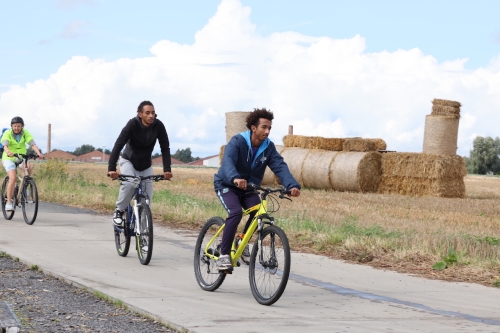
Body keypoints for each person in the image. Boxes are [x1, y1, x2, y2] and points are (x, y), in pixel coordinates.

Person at [214, 108, 301, 270]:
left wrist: (292, 185)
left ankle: (241, 241)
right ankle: (224, 255)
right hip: (227, 185)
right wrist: (235, 178)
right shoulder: (238, 141)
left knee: (257, 213)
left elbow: (280, 166)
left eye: (269, 128)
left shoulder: (268, 148)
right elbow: (228, 162)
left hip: (249, 188)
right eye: (264, 127)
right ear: (253, 128)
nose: (267, 131)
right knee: (236, 212)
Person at [108, 100, 173, 226]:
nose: (151, 116)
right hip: (128, 160)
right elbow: (119, 144)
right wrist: (111, 168)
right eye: (147, 113)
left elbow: (165, 148)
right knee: (130, 184)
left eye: (153, 113)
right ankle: (119, 210)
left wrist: (167, 169)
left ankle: (144, 236)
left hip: (145, 164)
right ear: (140, 114)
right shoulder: (132, 124)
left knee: (147, 199)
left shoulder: (159, 126)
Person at [1, 117, 44, 211]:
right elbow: (5, 144)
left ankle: (24, 187)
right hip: (9, 158)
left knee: (28, 167)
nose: (17, 128)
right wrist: (8, 151)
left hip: (20, 157)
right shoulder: (7, 133)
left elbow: (32, 143)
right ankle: (8, 202)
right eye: (15, 126)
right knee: (13, 178)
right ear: (12, 126)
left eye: (19, 126)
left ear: (22, 126)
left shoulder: (25, 132)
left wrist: (38, 153)